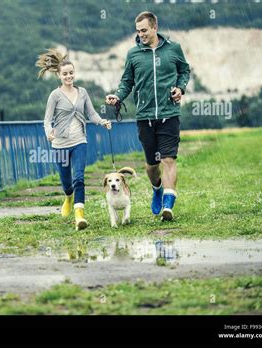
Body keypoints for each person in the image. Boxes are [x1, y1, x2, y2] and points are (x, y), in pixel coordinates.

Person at [106, 11, 190, 221]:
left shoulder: (173, 49)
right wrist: (118, 97)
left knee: (169, 160)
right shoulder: (134, 54)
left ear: (155, 27)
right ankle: (157, 189)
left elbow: (184, 70)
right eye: (138, 31)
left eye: (144, 30)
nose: (141, 34)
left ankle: (168, 207)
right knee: (152, 165)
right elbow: (127, 81)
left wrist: (180, 88)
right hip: (144, 116)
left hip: (169, 114)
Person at [36, 48, 112, 230]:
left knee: (79, 177)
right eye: (65, 74)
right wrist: (49, 132)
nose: (68, 76)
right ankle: (68, 197)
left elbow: (91, 113)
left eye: (71, 73)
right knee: (66, 182)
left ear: (74, 74)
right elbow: (47, 120)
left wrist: (102, 121)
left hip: (80, 141)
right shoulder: (54, 96)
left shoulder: (83, 92)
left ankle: (79, 216)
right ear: (59, 76)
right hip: (60, 144)